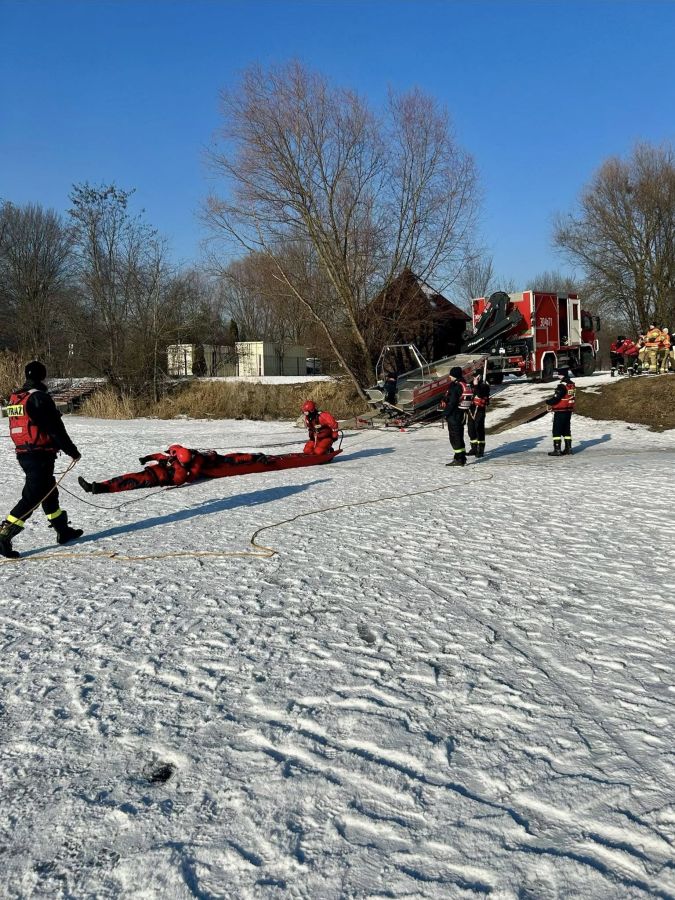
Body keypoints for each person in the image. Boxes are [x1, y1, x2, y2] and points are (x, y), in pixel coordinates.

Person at [0, 361, 83, 559]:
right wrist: (72, 451)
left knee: (49, 491)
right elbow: (55, 429)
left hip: (25, 452)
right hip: (39, 454)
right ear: (43, 376)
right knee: (33, 496)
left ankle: (63, 530)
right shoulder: (39, 398)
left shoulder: (17, 398)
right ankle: (4, 534)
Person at [77, 444, 271, 494]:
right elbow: (163, 456)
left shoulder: (194, 464)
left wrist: (255, 458)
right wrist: (148, 457)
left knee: (130, 482)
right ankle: (99, 485)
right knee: (127, 476)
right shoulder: (179, 454)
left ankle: (98, 488)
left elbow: (182, 479)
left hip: (155, 478)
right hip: (154, 470)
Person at [442, 366, 473, 466]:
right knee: (459, 436)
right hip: (461, 414)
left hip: (454, 414)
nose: (449, 377)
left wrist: (445, 413)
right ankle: (461, 457)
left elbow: (452, 402)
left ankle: (459, 459)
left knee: (455, 437)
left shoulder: (456, 386)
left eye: (451, 375)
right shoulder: (463, 383)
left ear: (454, 375)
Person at [545, 369, 576, 456]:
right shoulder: (571, 384)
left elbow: (557, 398)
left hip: (560, 411)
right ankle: (568, 449)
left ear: (562, 375)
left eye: (559, 374)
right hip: (568, 410)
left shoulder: (562, 386)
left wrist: (548, 402)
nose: (558, 376)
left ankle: (557, 450)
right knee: (566, 430)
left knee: (556, 430)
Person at [467, 372, 490, 458]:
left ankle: (480, 450)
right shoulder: (471, 385)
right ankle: (473, 448)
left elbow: (480, 395)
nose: (474, 378)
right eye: (473, 377)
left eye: (475, 377)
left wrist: (476, 385)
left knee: (479, 429)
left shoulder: (484, 386)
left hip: (479, 411)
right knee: (471, 430)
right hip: (471, 410)